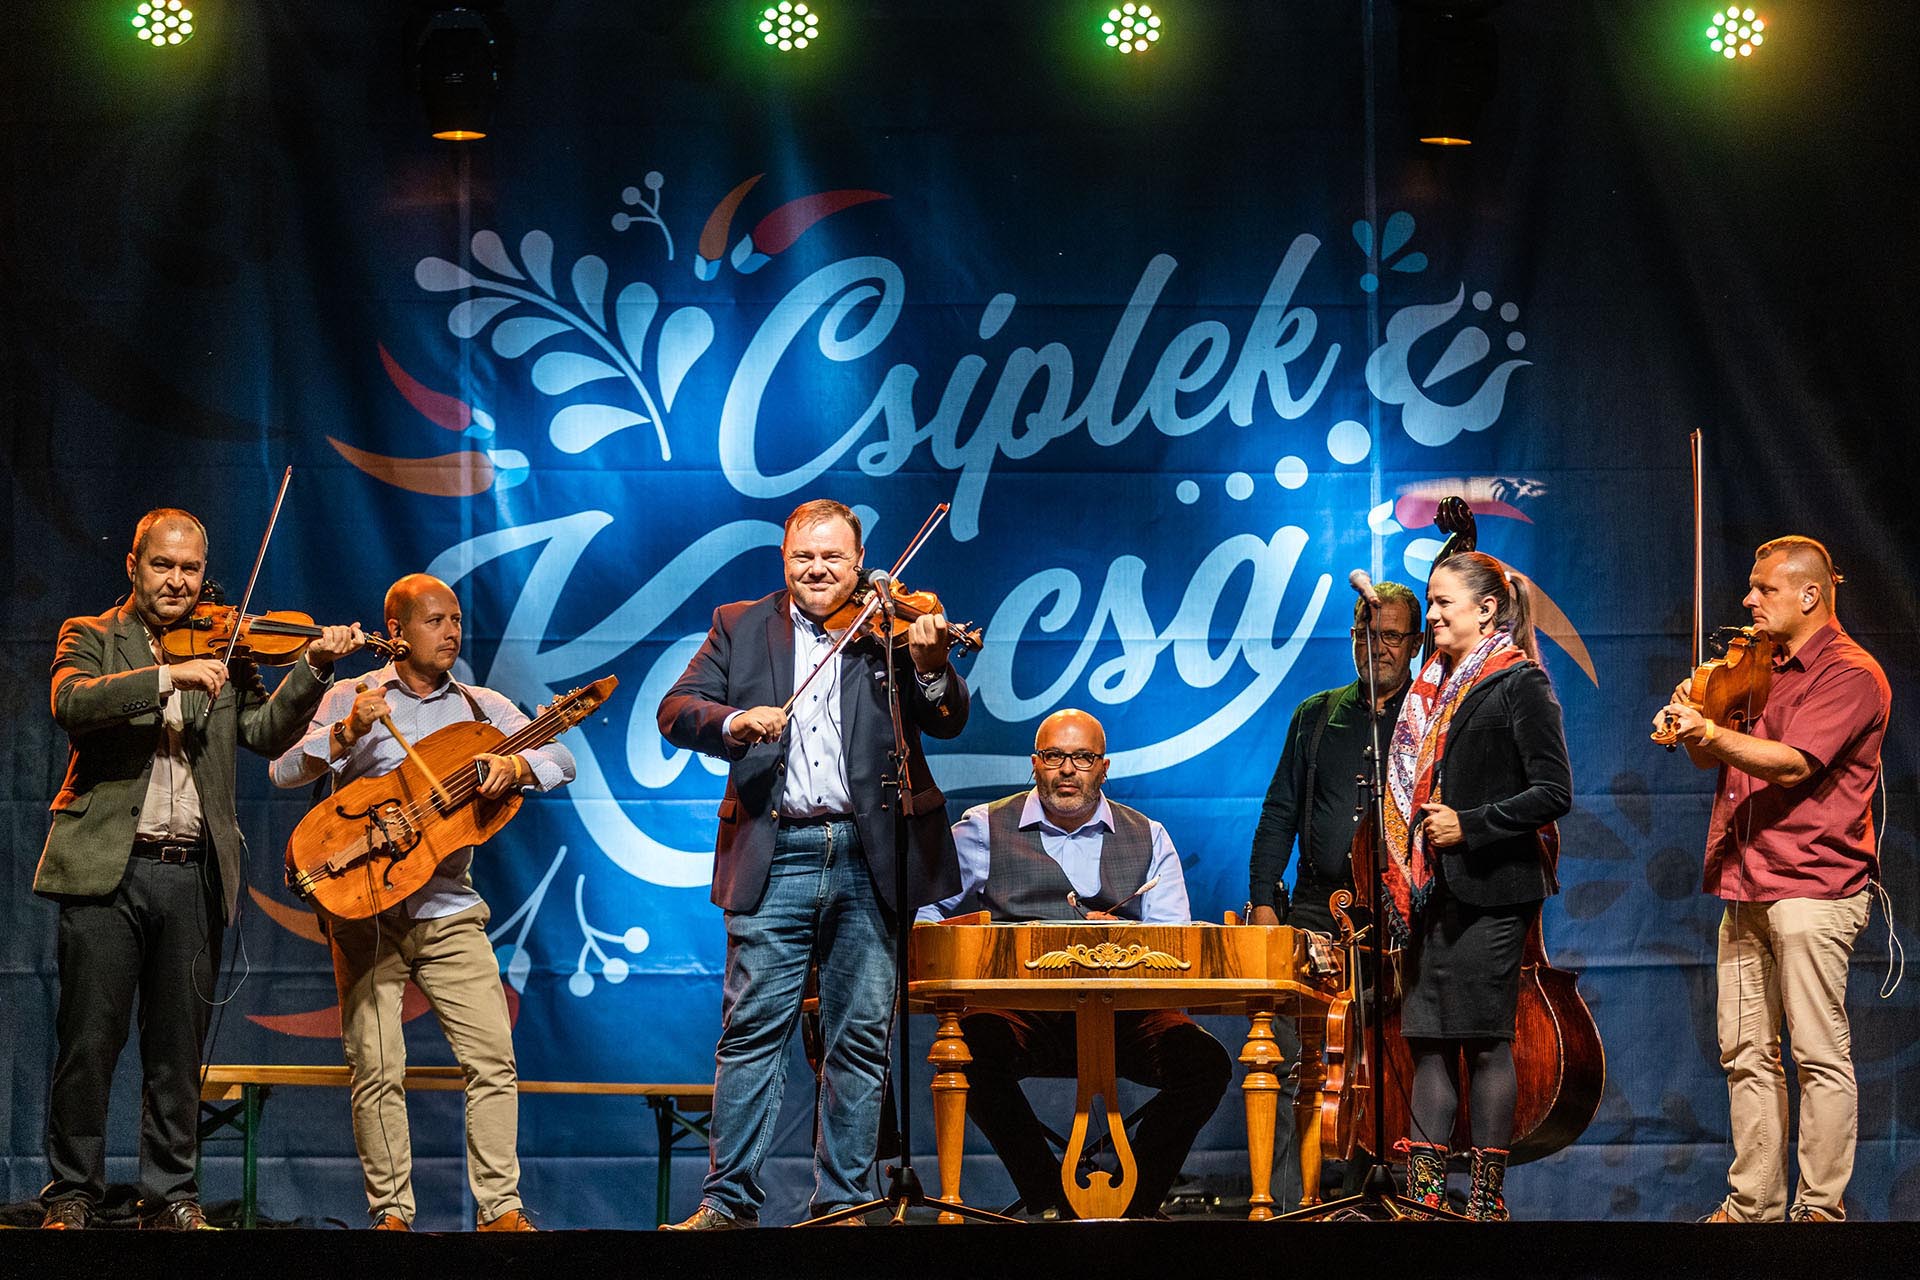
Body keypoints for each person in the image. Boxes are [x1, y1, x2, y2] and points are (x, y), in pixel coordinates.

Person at [36, 508, 362, 1231]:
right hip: (108, 873)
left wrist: (313, 668)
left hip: (192, 872)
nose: (178, 581)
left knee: (177, 1052)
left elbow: (263, 733)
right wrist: (165, 676)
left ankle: (170, 1195)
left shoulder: (227, 649)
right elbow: (72, 702)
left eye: (190, 568)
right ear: (133, 565)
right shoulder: (92, 635)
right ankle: (71, 1195)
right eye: (163, 565)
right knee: (88, 1043)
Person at [656, 498, 969, 1228]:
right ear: (784, 560)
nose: (818, 569)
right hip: (777, 851)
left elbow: (947, 717)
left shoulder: (890, 627)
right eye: (804, 556)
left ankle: (844, 1205)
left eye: (833, 557)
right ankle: (728, 1205)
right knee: (751, 1032)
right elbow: (676, 709)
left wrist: (930, 668)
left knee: (859, 1036)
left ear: (859, 564)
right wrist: (735, 721)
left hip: (872, 852)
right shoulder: (739, 624)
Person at [270, 573, 575, 1232]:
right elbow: (285, 769)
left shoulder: (481, 707)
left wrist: (517, 768)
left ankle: (501, 1211)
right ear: (398, 631)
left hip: (447, 907)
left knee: (492, 1059)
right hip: (367, 908)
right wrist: (345, 733)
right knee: (377, 1066)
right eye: (435, 621)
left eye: (456, 620)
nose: (452, 632)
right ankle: (391, 1216)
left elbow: (560, 758)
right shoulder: (356, 694)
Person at [1653, 536, 1888, 1223]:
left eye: (1765, 590)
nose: (1748, 600)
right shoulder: (1760, 666)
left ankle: (1818, 1212)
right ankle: (1752, 1206)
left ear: (1810, 594)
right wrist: (1694, 725)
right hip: (1746, 880)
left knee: (1817, 1054)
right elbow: (1718, 762)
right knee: (1745, 1053)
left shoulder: (1850, 673)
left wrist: (1710, 730)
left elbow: (1791, 764)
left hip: (1813, 885)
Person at [918, 708, 1233, 1219]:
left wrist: (1125, 936)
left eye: (1083, 758)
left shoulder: (1149, 835)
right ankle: (1052, 1200)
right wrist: (968, 947)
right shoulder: (983, 828)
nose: (1067, 769)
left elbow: (1174, 944)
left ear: (1104, 768)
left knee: (1206, 1064)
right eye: (1054, 757)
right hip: (1023, 1014)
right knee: (968, 1052)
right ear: (1035, 764)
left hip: (1127, 1017)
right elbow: (925, 914)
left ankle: (1133, 1205)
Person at [1382, 551, 1571, 1220]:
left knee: (1485, 1041)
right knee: (1428, 1041)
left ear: (1487, 609)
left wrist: (1472, 824)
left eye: (1443, 602)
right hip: (1433, 893)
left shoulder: (1520, 682)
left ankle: (1487, 1204)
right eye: (1430, 601)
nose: (1431, 614)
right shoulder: (1430, 690)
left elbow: (1553, 791)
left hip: (1494, 890)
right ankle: (1426, 1199)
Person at [1250, 582, 1422, 934]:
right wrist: (1263, 901)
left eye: (1391, 636)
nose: (1377, 648)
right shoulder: (1314, 714)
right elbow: (1280, 814)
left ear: (1416, 643)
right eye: (1366, 635)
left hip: (1402, 912)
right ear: (1352, 636)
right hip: (1316, 909)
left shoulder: (1429, 719)